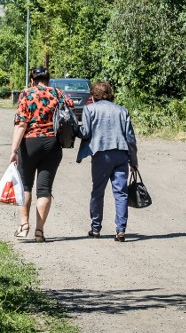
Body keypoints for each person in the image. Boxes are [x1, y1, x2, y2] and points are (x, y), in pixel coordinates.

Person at [9, 67, 74, 242]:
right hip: (52, 144)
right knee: (45, 189)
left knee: (25, 186)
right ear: (48, 80)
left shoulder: (27, 94)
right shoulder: (57, 93)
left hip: (29, 144)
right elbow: (71, 106)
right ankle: (39, 231)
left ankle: (24, 224)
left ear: (32, 80)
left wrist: (14, 150)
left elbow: (21, 124)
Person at [76, 81, 139, 242]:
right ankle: (121, 230)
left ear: (93, 94)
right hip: (121, 155)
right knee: (121, 193)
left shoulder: (89, 109)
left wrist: (74, 129)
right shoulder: (122, 111)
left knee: (98, 191)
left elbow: (86, 132)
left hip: (101, 155)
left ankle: (96, 228)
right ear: (110, 93)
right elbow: (130, 138)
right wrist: (133, 160)